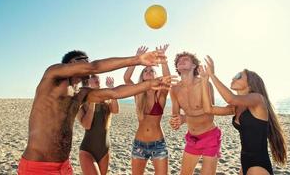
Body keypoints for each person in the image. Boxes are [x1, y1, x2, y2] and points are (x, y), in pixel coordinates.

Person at [17, 49, 174, 175]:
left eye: (88, 60)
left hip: (64, 166)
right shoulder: (53, 76)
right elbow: (93, 67)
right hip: (37, 166)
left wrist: (152, 83)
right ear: (70, 64)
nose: (88, 63)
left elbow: (114, 93)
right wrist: (137, 60)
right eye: (83, 60)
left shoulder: (81, 93)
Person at [200, 55, 287, 175]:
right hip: (245, 163)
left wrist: (213, 75)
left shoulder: (258, 99)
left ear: (250, 84)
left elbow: (230, 98)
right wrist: (205, 81)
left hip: (258, 165)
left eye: (238, 76)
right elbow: (208, 109)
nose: (233, 78)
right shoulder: (236, 107)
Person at [169, 51, 220, 175]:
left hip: (210, 136)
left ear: (194, 66)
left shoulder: (204, 84)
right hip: (192, 138)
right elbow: (176, 116)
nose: (181, 61)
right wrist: (175, 121)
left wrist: (185, 118)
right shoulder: (174, 89)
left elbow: (210, 113)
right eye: (178, 61)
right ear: (177, 68)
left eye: (185, 59)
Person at [123, 45, 171, 175]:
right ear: (142, 76)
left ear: (157, 76)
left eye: (151, 70)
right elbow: (126, 78)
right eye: (145, 70)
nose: (148, 72)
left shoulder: (160, 96)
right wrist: (136, 59)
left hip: (158, 144)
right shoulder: (138, 94)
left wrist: (163, 59)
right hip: (139, 145)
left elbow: (168, 80)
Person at [77, 75, 118, 175]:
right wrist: (92, 102)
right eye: (93, 77)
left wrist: (112, 90)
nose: (96, 79)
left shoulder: (106, 98)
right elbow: (87, 125)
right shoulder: (81, 103)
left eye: (97, 76)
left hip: (105, 149)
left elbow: (115, 110)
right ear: (86, 82)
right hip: (87, 150)